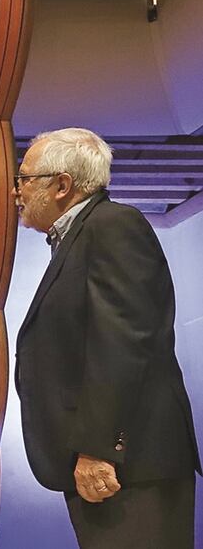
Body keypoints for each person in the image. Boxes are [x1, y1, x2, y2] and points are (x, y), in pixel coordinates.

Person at [13, 127, 200, 548]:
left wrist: (97, 449)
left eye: (24, 179)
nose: (16, 191)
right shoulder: (81, 236)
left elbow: (123, 343)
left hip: (126, 465)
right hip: (114, 465)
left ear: (62, 185)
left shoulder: (113, 225)